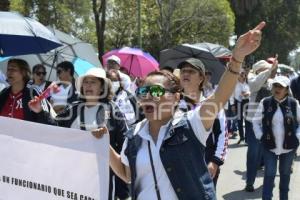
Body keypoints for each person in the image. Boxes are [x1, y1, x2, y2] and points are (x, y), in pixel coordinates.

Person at [107, 22, 265, 200]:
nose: (149, 96)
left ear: (176, 98)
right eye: (144, 91)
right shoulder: (133, 135)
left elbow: (219, 97)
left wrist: (237, 58)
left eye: (157, 91)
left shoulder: (191, 123)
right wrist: (105, 145)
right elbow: (127, 174)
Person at [29, 67, 128, 200]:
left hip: (103, 176)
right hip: (74, 174)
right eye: (86, 82)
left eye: (93, 82)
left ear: (102, 87)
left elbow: (124, 144)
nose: (88, 85)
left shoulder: (112, 109)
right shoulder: (73, 108)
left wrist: (123, 186)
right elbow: (55, 130)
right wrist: (40, 111)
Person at [177, 58, 228, 187]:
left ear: (201, 78)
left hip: (205, 164)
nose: (185, 74)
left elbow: (223, 134)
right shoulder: (171, 104)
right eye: (183, 71)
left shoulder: (212, 104)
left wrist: (215, 162)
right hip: (178, 166)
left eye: (191, 71)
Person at [252, 75, 300, 200]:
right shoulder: (265, 102)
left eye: (281, 87)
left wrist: (297, 137)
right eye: (275, 86)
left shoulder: (294, 104)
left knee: (285, 175)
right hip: (269, 146)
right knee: (269, 174)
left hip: (289, 147)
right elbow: (255, 121)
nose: (277, 89)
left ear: (286, 89)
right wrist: (261, 136)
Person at [244, 58, 278, 192]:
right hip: (253, 122)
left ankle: (269, 181)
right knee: (253, 153)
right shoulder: (252, 78)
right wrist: (269, 70)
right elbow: (255, 85)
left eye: (269, 70)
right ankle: (249, 182)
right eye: (265, 70)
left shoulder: (272, 82)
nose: (269, 72)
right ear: (258, 70)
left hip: (271, 124)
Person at [0, 59, 52, 123]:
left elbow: (49, 123)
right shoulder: (3, 93)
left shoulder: (34, 93)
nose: (9, 72)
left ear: (24, 72)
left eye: (13, 69)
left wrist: (40, 112)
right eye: (8, 69)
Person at [234, 69, 250, 144]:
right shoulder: (235, 83)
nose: (242, 76)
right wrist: (232, 104)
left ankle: (247, 138)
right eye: (241, 74)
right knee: (239, 120)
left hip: (247, 101)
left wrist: (247, 93)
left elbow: (251, 91)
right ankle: (242, 138)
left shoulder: (248, 83)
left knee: (247, 120)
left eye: (243, 74)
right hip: (238, 102)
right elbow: (231, 94)